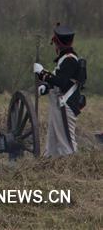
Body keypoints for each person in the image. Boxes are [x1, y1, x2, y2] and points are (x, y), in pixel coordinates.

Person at [35, 24, 85, 157]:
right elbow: (59, 79)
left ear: (57, 43)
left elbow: (62, 83)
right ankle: (49, 161)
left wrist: (42, 73)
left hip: (65, 104)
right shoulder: (65, 58)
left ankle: (72, 167)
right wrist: (45, 87)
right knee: (53, 139)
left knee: (66, 142)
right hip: (59, 103)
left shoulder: (69, 60)